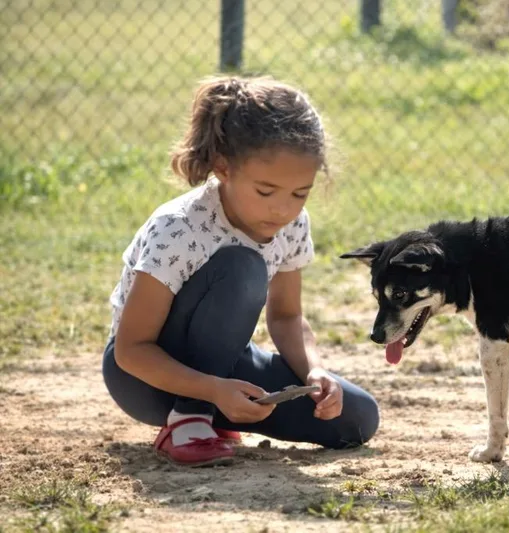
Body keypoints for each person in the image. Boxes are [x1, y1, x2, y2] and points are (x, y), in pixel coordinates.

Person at [102, 76, 380, 467]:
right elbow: (131, 351)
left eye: (300, 193)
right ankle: (190, 417)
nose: (282, 210)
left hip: (226, 368)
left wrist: (315, 371)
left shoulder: (292, 225)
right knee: (242, 265)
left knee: (355, 417)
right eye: (266, 192)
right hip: (145, 379)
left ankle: (214, 417)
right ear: (223, 168)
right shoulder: (179, 227)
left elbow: (286, 317)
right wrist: (210, 390)